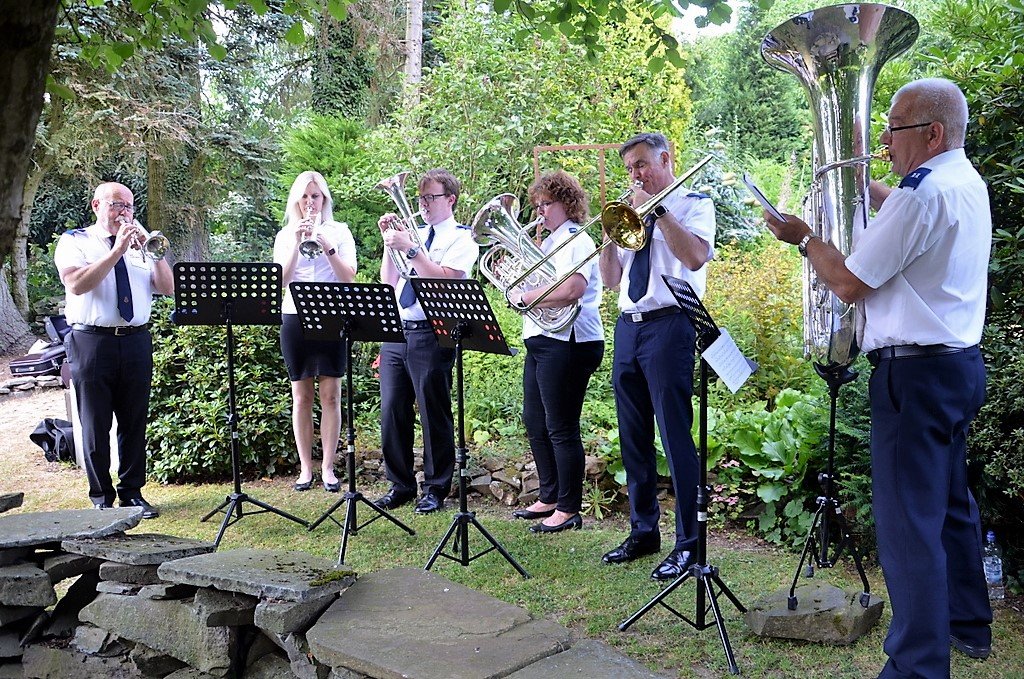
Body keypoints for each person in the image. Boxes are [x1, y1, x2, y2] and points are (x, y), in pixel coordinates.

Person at [763, 78, 993, 678]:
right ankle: (970, 626)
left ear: (933, 133)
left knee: (908, 525)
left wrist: (804, 237)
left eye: (895, 130)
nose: (885, 141)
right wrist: (863, 185)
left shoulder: (921, 195)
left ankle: (917, 665)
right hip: (959, 367)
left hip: (913, 379)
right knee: (950, 504)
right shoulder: (963, 182)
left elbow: (847, 283)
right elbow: (911, 221)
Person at [597, 132, 716, 580]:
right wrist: (611, 236)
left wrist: (660, 209)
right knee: (633, 436)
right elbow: (611, 281)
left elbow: (695, 257)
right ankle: (643, 531)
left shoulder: (693, 203)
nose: (636, 175)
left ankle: (689, 542)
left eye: (642, 165)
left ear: (665, 159)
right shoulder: (630, 213)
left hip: (671, 324)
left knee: (675, 436)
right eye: (630, 169)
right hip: (630, 326)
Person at [54, 182, 175, 518]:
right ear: (96, 205)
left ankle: (132, 493)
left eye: (130, 206)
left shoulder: (142, 242)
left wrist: (155, 253)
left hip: (136, 339)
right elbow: (77, 284)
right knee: (95, 422)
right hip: (92, 341)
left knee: (134, 420)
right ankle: (101, 498)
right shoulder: (75, 241)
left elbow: (166, 287)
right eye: (117, 205)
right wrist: (116, 251)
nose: (125, 213)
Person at [374, 169, 479, 514]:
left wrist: (411, 250)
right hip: (398, 328)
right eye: (419, 197)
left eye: (430, 197)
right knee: (391, 410)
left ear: (450, 199)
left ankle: (436, 487)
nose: (422, 204)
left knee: (433, 411)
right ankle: (400, 484)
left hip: (433, 331)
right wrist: (390, 245)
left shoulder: (463, 239)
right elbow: (389, 281)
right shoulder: (412, 233)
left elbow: (447, 279)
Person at [508, 171, 604, 533]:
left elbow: (572, 289)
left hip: (570, 342)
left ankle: (568, 508)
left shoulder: (576, 240)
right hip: (543, 338)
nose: (541, 211)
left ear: (568, 203)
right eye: (538, 205)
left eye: (547, 204)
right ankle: (549, 496)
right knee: (534, 420)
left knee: (561, 426)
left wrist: (527, 297)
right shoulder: (548, 244)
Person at [273, 171, 357, 493]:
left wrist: (327, 245)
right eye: (305, 197)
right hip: (294, 315)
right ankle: (305, 468)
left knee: (331, 394)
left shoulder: (340, 231)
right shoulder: (284, 235)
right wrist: (296, 241)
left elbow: (348, 277)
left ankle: (328, 468)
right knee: (301, 395)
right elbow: (282, 280)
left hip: (332, 315)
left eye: (316, 197)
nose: (310, 203)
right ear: (297, 200)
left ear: (325, 200)